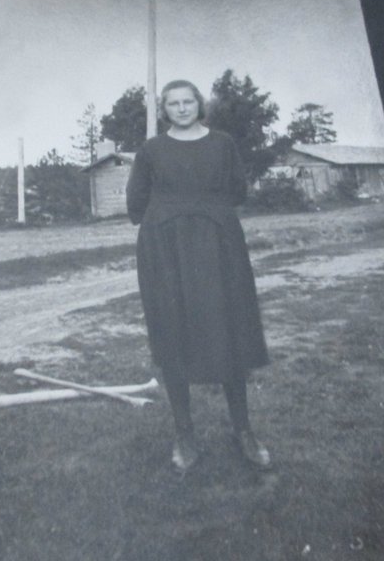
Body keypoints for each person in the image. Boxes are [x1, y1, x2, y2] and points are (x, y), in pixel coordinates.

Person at [126, 79, 272, 472]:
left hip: (219, 245)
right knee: (174, 330)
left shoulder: (223, 144)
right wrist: (170, 217)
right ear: (164, 109)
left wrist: (204, 212)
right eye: (173, 103)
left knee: (228, 329)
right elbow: (136, 202)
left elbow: (238, 191)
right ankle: (184, 435)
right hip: (166, 250)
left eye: (187, 101)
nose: (181, 108)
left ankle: (244, 431)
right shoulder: (151, 150)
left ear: (199, 104)